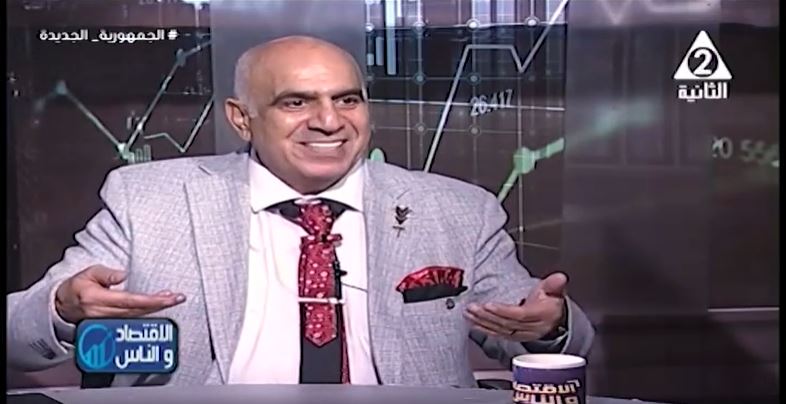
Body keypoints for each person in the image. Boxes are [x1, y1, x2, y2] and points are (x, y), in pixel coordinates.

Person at [6, 36, 594, 387]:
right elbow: (16, 338)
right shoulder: (148, 199)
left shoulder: (459, 210)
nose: (329, 121)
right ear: (242, 118)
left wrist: (550, 327)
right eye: (297, 102)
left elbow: (544, 338)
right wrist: (64, 308)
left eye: (347, 99)